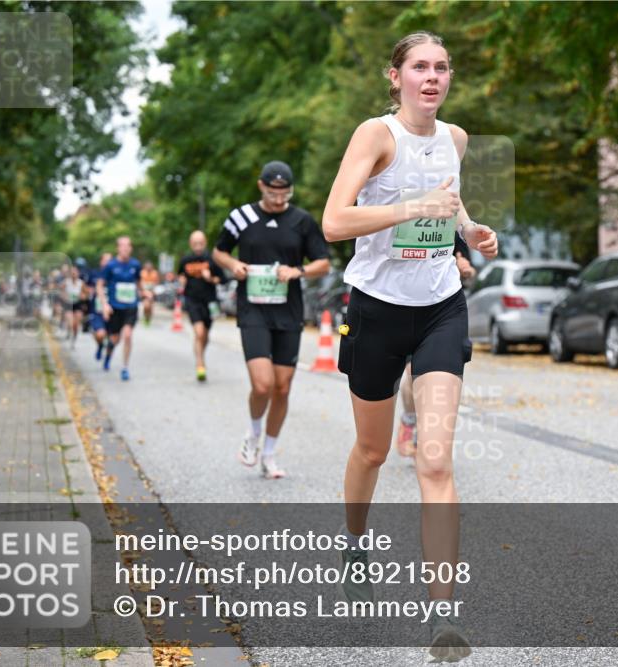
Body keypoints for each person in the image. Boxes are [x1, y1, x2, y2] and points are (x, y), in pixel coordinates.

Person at [321, 31, 497, 660]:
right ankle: (354, 539)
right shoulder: (376, 135)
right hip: (375, 309)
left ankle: (442, 616)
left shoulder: (455, 139)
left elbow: (446, 204)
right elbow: (335, 221)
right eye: (419, 67)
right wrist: (410, 208)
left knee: (435, 459)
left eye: (442, 67)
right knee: (371, 450)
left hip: (440, 309)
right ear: (394, 77)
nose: (433, 77)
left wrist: (470, 230)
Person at [213, 160, 331, 479]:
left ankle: (269, 454)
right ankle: (253, 434)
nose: (279, 199)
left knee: (282, 387)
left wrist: (298, 271)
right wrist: (233, 264)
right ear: (261, 186)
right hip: (252, 308)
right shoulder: (242, 216)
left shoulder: (302, 221)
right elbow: (219, 252)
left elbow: (324, 262)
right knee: (262, 384)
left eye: (284, 193)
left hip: (288, 310)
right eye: (272, 192)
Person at [395, 235, 477, 457]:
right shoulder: (402, 216)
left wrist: (466, 269)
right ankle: (410, 419)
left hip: (442, 312)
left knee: (433, 376)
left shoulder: (450, 226)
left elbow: (467, 268)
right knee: (412, 373)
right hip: (400, 306)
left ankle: (427, 435)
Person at [178, 230, 226, 381]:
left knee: (205, 336)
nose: (198, 246)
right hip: (192, 301)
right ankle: (200, 363)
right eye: (195, 243)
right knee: (199, 332)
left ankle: (200, 354)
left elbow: (223, 279)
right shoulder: (185, 260)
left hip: (210, 302)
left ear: (205, 243)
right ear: (191, 244)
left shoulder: (211, 259)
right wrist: (181, 281)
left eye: (200, 243)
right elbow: (180, 275)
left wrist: (210, 278)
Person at [96, 238, 141, 381]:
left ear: (131, 248)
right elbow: (99, 285)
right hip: (115, 307)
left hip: (131, 306)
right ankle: (108, 354)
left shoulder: (135, 265)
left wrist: (144, 292)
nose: (125, 249)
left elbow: (138, 284)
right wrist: (104, 304)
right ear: (118, 248)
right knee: (114, 339)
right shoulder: (110, 266)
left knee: (127, 335)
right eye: (122, 246)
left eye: (128, 246)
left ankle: (125, 368)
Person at [85, 253, 112, 361]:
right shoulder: (94, 274)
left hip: (111, 309)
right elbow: (86, 287)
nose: (108, 263)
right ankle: (100, 345)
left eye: (110, 260)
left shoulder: (114, 274)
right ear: (101, 262)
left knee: (111, 338)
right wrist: (90, 291)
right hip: (96, 309)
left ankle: (107, 359)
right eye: (106, 260)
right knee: (100, 334)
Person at [63, 263, 88, 348]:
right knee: (70, 323)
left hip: (78, 305)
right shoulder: (66, 282)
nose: (73, 274)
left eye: (75, 272)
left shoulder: (81, 283)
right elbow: (60, 292)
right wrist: (64, 296)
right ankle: (68, 331)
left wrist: (83, 296)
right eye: (72, 273)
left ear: (78, 273)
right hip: (69, 304)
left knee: (76, 325)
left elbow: (87, 294)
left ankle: (74, 339)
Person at [140, 260, 161, 327]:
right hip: (145, 291)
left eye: (150, 266)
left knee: (150, 306)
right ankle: (145, 316)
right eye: (147, 266)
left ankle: (149, 317)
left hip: (152, 292)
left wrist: (154, 291)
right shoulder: (142, 273)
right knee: (146, 306)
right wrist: (142, 291)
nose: (148, 268)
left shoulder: (155, 273)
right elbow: (140, 282)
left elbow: (157, 282)